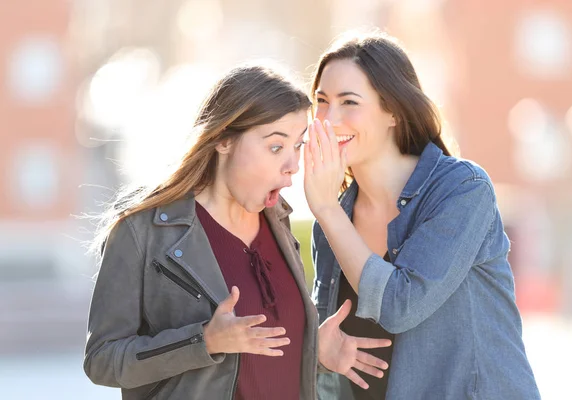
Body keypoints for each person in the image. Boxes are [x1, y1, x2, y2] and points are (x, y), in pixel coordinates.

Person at [83, 64, 392, 400]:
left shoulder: (279, 223)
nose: (292, 165)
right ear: (224, 140)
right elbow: (103, 360)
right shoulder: (141, 231)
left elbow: (259, 357)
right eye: (276, 147)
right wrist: (204, 341)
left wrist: (312, 350)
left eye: (297, 146)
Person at [304, 32, 541, 399]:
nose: (330, 119)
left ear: (394, 111)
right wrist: (318, 352)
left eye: (349, 102)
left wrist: (325, 210)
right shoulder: (334, 220)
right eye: (321, 101)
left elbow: (401, 305)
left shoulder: (461, 189)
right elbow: (327, 351)